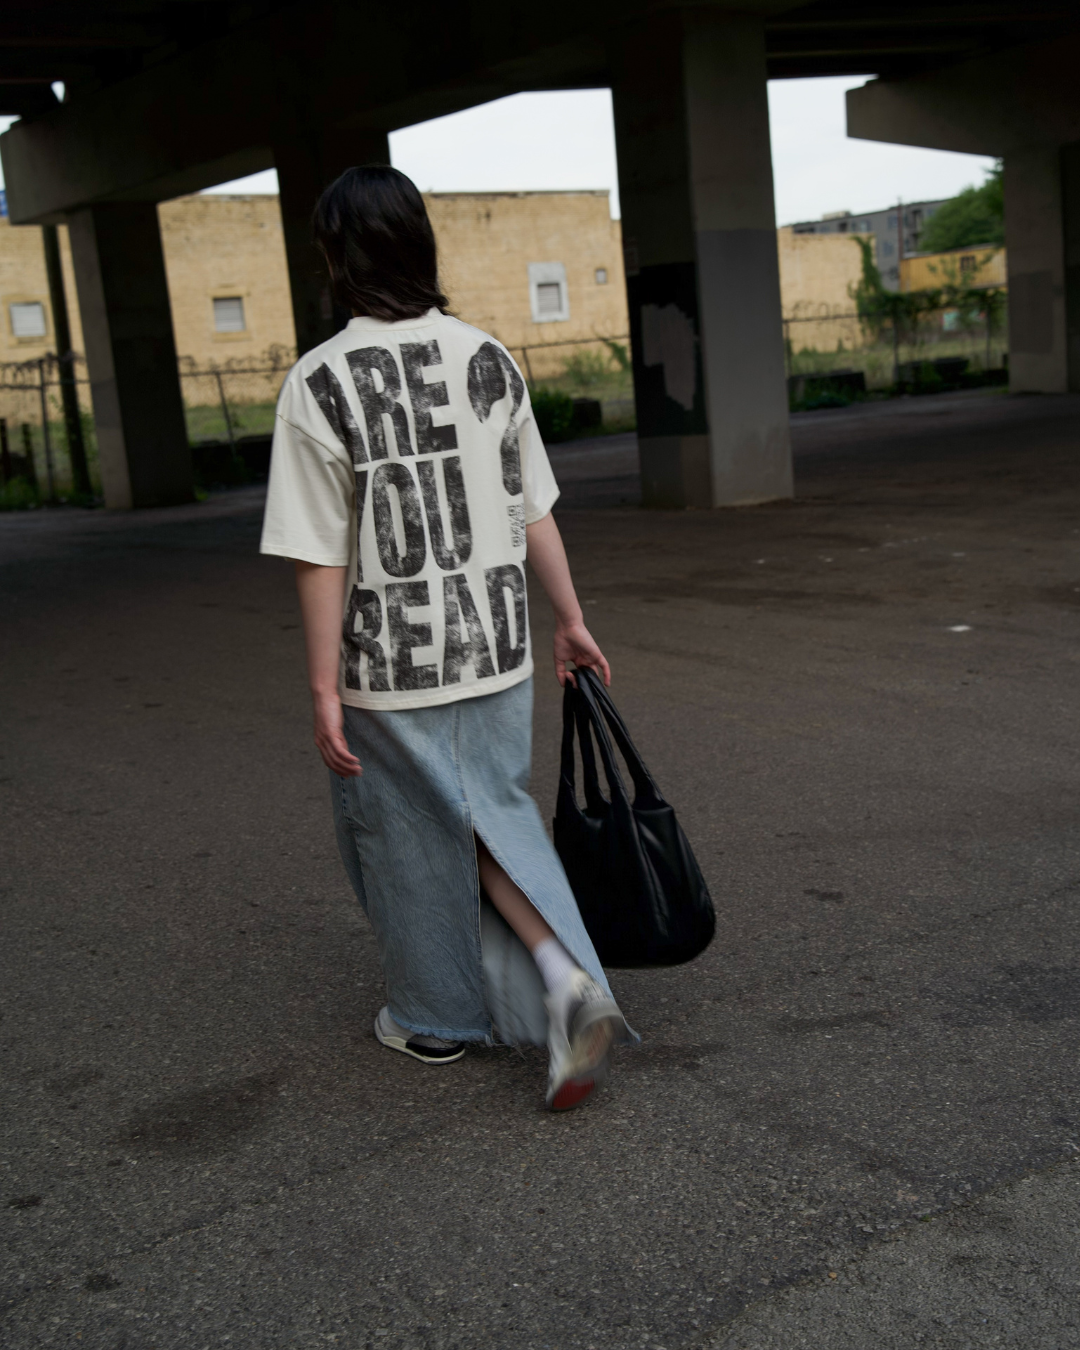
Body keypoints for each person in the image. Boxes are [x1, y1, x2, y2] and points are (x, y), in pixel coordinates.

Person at [260, 164, 630, 1110]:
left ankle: (451, 1013)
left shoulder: (317, 383)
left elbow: (318, 556)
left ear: (334, 261)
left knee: (412, 839)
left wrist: (320, 689)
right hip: (497, 645)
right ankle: (550, 980)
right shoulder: (490, 359)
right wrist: (570, 618)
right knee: (487, 817)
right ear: (420, 243)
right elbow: (532, 510)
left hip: (388, 663)